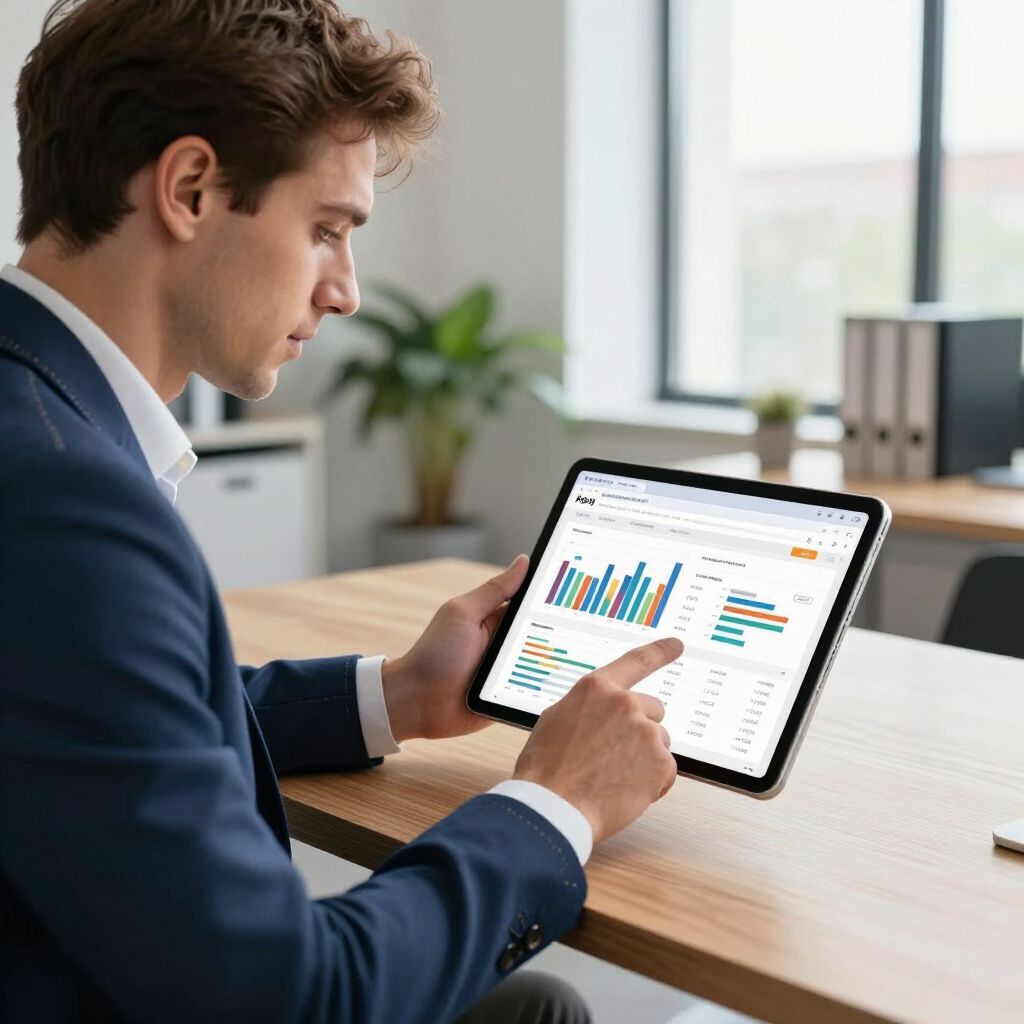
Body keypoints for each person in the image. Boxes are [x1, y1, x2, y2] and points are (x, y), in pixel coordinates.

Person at [0, 2, 681, 1022]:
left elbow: (106, 718)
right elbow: (291, 998)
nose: (345, 291)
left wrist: (397, 695)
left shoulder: (34, 420)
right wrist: (558, 800)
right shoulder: (66, 504)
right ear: (190, 189)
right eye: (326, 230)